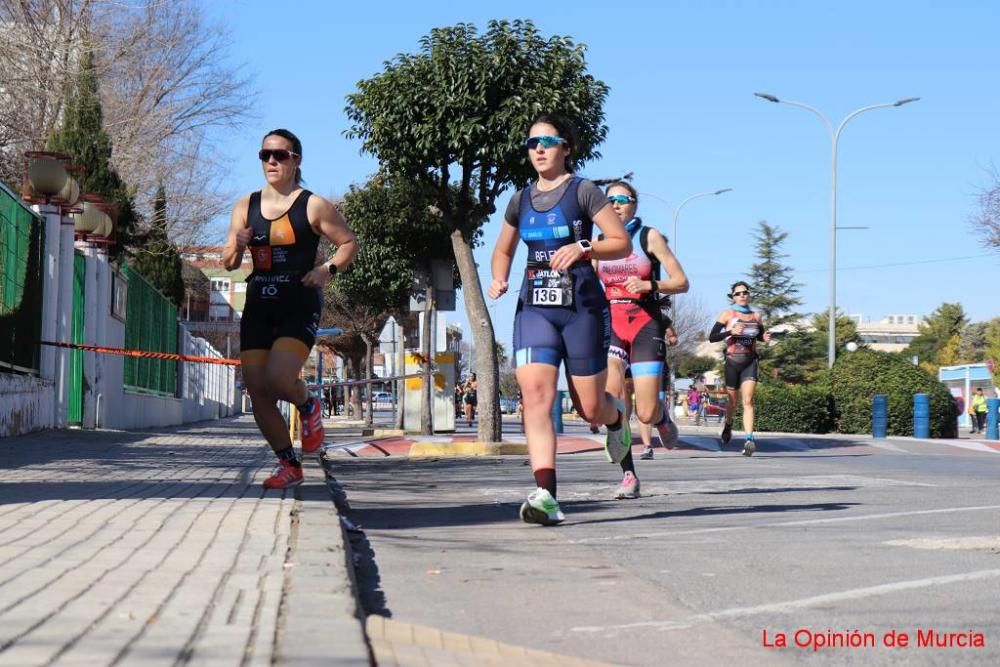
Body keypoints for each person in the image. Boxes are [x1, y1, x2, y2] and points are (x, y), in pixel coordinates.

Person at [488, 113, 633, 525]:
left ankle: (616, 418)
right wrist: (499, 278)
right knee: (535, 397)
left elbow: (619, 243)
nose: (538, 149)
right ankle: (546, 494)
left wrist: (585, 247)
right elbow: (503, 249)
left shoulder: (583, 191)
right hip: (534, 306)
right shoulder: (520, 199)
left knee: (591, 408)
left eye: (548, 142)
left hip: (581, 306)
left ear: (565, 148)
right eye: (532, 143)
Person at [223, 128, 357, 489]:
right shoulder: (245, 205)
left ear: (295, 160)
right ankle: (288, 464)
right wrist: (237, 244)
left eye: (279, 155)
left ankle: (308, 405)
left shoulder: (313, 205)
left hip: (298, 301)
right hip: (259, 303)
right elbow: (229, 262)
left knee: (279, 379)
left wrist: (326, 269)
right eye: (264, 155)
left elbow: (348, 243)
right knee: (258, 389)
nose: (271, 161)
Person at [708, 281, 771, 456]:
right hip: (732, 362)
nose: (742, 295)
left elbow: (759, 336)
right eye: (738, 293)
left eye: (745, 292)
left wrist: (764, 337)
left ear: (749, 295)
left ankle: (749, 439)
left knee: (748, 401)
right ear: (733, 297)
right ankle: (728, 424)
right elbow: (712, 337)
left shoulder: (756, 316)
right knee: (732, 402)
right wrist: (730, 332)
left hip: (750, 362)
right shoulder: (728, 314)